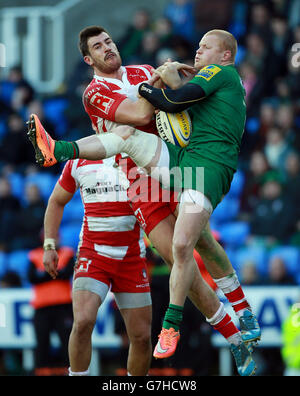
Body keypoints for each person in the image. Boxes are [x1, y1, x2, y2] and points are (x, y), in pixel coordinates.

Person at [27, 27, 260, 375]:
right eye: (98, 47)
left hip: (176, 159)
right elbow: (140, 114)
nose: (108, 48)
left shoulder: (138, 72)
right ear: (88, 59)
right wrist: (161, 81)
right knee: (183, 261)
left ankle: (242, 313)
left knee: (203, 242)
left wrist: (174, 71)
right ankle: (234, 338)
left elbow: (185, 85)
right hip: (141, 183)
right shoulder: (94, 92)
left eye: (108, 41)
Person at [43, 158, 152, 376]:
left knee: (141, 336)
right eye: (99, 121)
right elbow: (56, 201)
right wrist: (49, 244)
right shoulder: (77, 162)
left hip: (131, 258)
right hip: (93, 255)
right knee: (83, 322)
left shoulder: (139, 156)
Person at [28, 242, 74, 376]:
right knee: (42, 342)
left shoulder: (67, 252)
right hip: (42, 307)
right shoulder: (34, 255)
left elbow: (68, 273)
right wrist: (57, 272)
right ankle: (42, 371)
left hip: (63, 306)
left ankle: (70, 371)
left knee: (67, 341)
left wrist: (44, 273)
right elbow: (32, 278)